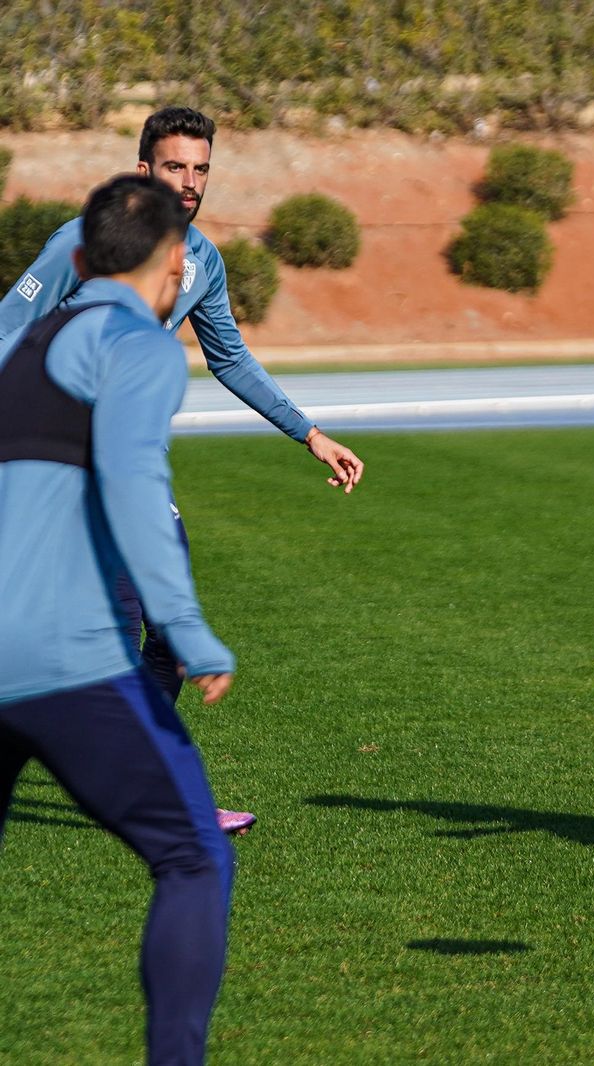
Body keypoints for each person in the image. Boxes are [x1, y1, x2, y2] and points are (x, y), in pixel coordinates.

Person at [0, 106, 365, 835]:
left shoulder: (200, 260)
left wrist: (310, 434)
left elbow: (228, 357)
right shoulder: (78, 244)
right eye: (175, 166)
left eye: (200, 168)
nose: (190, 182)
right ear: (144, 171)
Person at [0, 174, 236, 1065]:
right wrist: (188, 630)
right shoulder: (139, 345)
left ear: (72, 260)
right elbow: (139, 489)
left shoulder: (22, 344)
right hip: (61, 658)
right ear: (177, 266)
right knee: (194, 861)